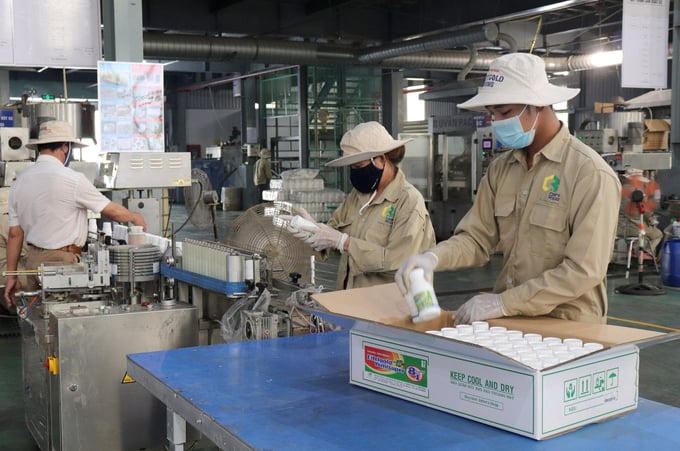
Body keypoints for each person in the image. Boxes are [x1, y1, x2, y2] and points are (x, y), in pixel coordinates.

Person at [395, 53, 622, 325]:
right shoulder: (501, 169)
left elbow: (583, 269)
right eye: (492, 114)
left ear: (538, 106)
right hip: (509, 320)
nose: (497, 122)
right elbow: (477, 239)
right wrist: (432, 258)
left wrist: (504, 301)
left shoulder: (589, 174)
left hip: (568, 326)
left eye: (504, 112)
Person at [3, 120, 147, 309]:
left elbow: (15, 234)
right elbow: (111, 210)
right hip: (61, 263)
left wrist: (12, 276)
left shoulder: (19, 182)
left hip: (32, 262)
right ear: (65, 147)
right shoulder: (73, 179)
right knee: (64, 319)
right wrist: (134, 216)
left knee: (40, 320)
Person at [288, 121, 436, 289]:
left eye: (359, 166)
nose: (355, 173)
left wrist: (345, 242)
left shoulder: (408, 201)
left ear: (380, 160)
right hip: (352, 299)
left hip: (389, 307)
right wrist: (312, 230)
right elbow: (333, 232)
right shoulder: (357, 197)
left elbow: (399, 261)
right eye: (352, 167)